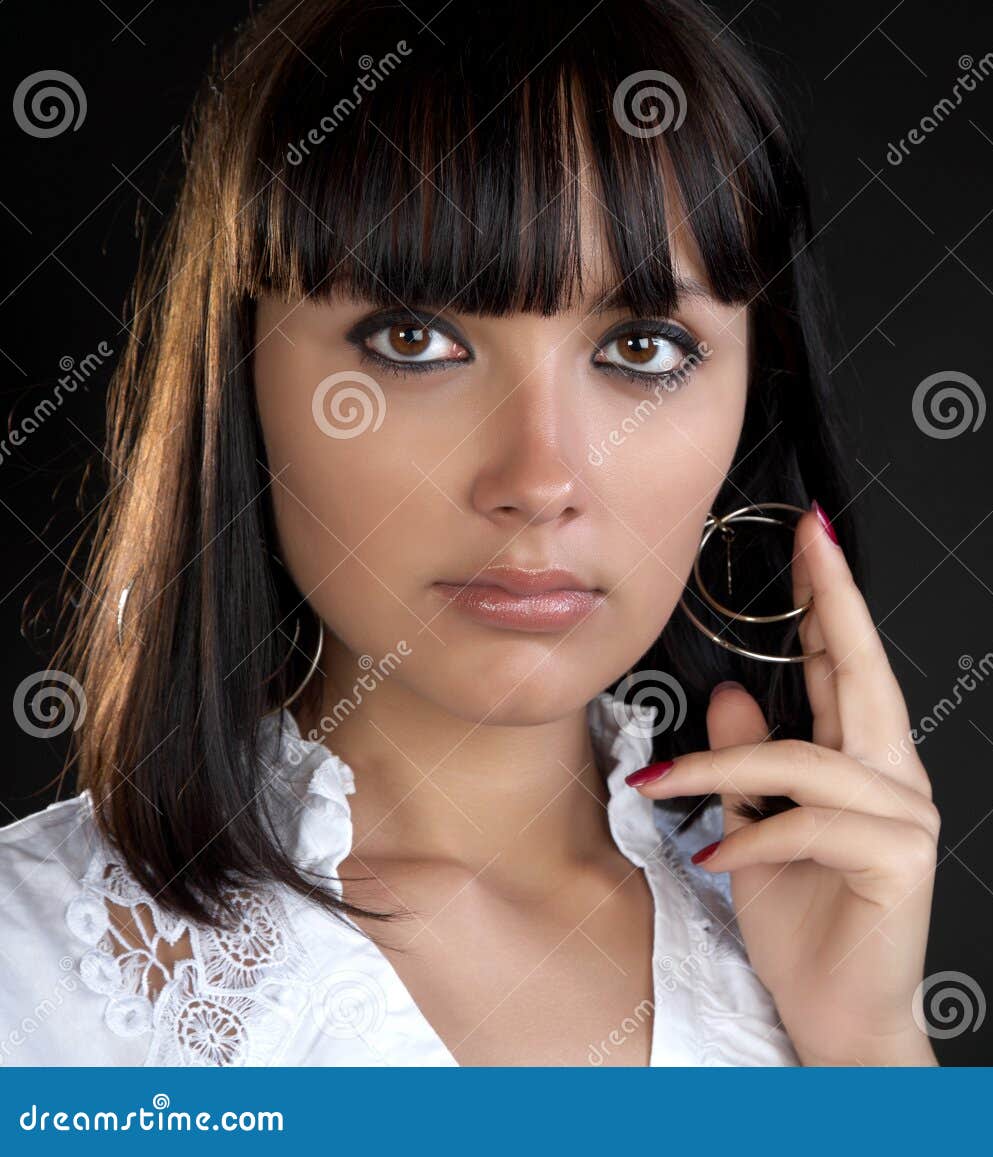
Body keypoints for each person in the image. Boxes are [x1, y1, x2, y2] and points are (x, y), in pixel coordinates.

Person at [0, 0, 939, 1066]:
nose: (539, 480)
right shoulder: (27, 971)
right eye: (414, 339)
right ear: (241, 375)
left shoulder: (801, 926)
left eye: (640, 348)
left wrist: (871, 1045)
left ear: (752, 398)